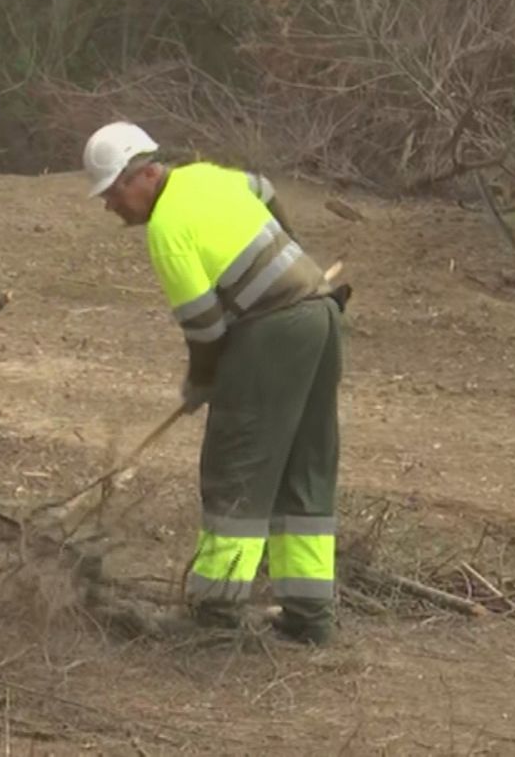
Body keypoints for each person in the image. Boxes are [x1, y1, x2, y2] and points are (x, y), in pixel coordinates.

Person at [82, 121, 344, 645]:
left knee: (237, 462)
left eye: (113, 192)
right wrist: (289, 251)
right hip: (321, 315)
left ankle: (216, 611)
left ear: (147, 174)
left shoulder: (167, 228)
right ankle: (309, 617)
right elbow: (264, 189)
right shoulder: (208, 177)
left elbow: (204, 327)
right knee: (303, 463)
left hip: (272, 332)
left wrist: (201, 381)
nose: (110, 206)